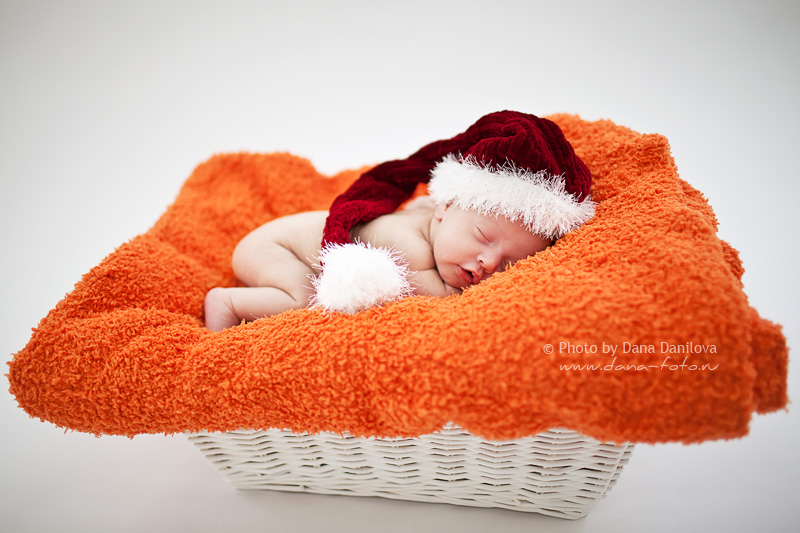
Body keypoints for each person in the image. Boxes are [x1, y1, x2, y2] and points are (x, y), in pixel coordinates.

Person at [204, 111, 596, 331]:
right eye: (482, 236)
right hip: (274, 249)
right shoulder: (410, 247)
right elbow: (431, 297)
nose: (489, 263)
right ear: (444, 207)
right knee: (302, 298)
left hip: (278, 242)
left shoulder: (430, 220)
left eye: (511, 263)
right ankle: (228, 302)